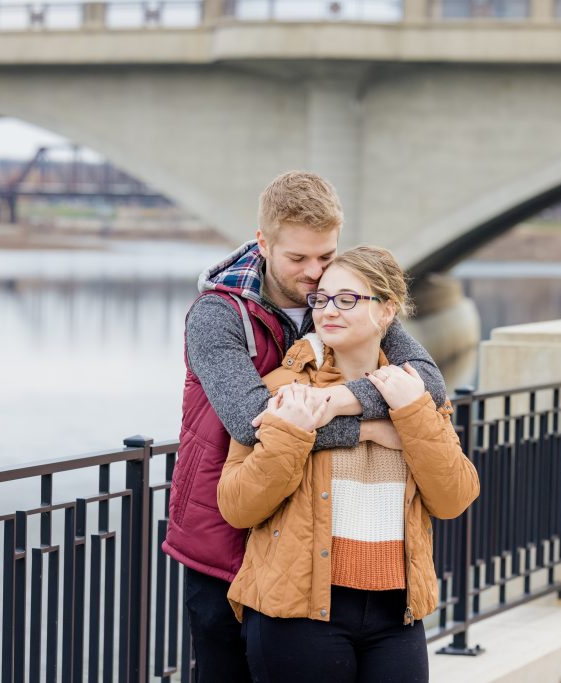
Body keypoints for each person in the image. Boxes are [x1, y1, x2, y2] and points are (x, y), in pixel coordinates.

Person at [161, 172, 449, 681]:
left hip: (302, 545)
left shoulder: (341, 298)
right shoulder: (217, 315)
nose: (315, 274)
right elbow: (253, 422)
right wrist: (372, 430)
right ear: (263, 243)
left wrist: (339, 399)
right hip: (224, 538)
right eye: (298, 259)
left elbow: (427, 382)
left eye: (325, 255)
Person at [217, 246, 480, 682]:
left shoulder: (415, 391)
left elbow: (454, 497)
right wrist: (294, 433)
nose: (327, 311)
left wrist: (411, 415)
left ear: (387, 311)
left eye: (347, 299)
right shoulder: (286, 389)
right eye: (321, 299)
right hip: (297, 610)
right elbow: (237, 506)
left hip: (397, 614)